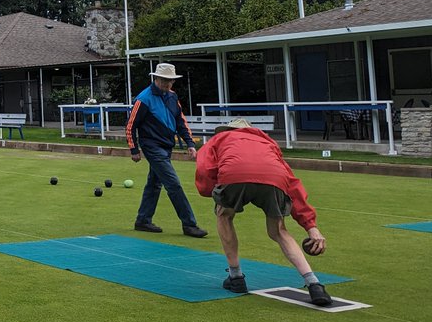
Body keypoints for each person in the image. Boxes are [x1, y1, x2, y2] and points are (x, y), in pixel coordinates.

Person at [195, 118, 332, 306]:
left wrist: (212, 191)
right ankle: (314, 283)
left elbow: (204, 168)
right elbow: (292, 184)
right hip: (274, 177)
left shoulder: (219, 138)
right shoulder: (267, 142)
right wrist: (311, 227)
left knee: (224, 215)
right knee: (279, 231)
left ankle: (236, 278)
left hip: (234, 174)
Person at [125, 62, 208, 238]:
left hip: (166, 145)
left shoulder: (172, 96)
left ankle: (143, 220)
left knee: (154, 184)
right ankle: (189, 224)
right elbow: (131, 125)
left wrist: (190, 143)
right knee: (173, 184)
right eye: (164, 80)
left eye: (170, 81)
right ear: (155, 78)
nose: (167, 84)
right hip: (152, 147)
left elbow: (180, 121)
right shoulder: (143, 99)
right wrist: (134, 149)